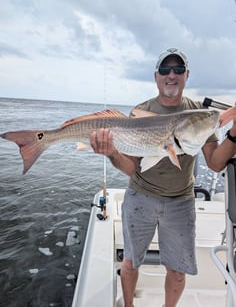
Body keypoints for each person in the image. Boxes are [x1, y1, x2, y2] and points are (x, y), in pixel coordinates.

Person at [90, 47, 236, 307]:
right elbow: (132, 168)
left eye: (178, 69)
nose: (172, 75)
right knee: (131, 261)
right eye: (165, 70)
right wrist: (111, 152)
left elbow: (215, 163)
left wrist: (234, 134)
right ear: (156, 76)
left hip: (180, 202)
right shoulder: (140, 111)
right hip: (140, 198)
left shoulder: (197, 114)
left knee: (177, 271)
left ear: (186, 75)